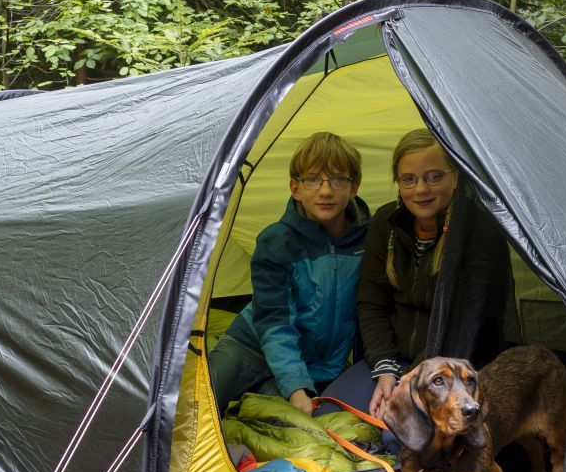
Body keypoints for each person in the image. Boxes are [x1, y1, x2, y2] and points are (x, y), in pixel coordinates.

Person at [209, 132, 370, 416]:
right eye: (313, 180)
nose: (325, 191)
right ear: (295, 188)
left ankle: (268, 390)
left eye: (337, 180)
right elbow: (275, 320)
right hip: (251, 347)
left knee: (312, 424)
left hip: (321, 365)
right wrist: (296, 387)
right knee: (197, 401)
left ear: (353, 187)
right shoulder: (276, 242)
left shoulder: (370, 239)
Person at [357, 128, 510, 419]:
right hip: (392, 361)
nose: (420, 190)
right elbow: (372, 304)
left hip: (454, 368)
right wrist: (386, 371)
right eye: (409, 179)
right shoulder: (385, 224)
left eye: (434, 177)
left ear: (456, 176)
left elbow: (466, 327)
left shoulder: (480, 233)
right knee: (338, 418)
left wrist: (411, 382)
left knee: (396, 435)